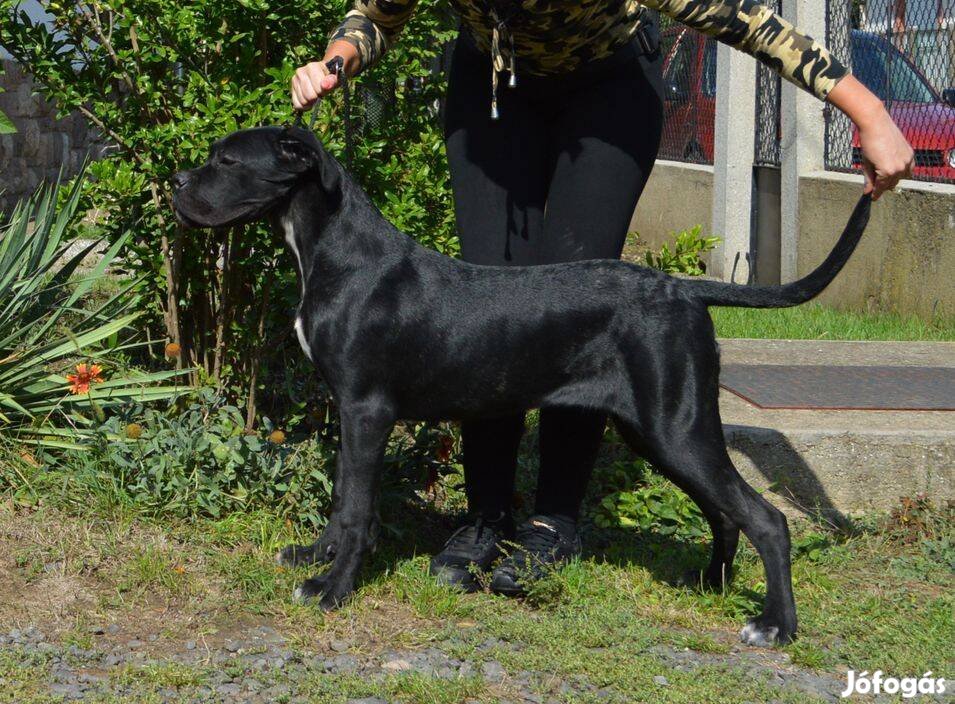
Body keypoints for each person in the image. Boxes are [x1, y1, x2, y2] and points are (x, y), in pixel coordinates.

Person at [291, 0, 914, 595]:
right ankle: (485, 514)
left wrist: (870, 112)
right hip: (494, 90)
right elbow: (376, 16)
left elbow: (746, 21)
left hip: (606, 89)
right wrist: (335, 61)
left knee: (577, 300)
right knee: (480, 294)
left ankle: (554, 519)